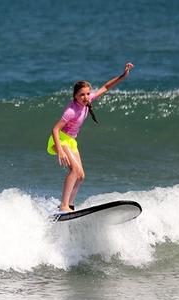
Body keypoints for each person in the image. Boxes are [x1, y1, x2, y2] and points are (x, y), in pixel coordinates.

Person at [47, 63, 135, 212]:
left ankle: (70, 205)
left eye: (87, 94)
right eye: (81, 94)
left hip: (71, 141)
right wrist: (61, 151)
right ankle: (63, 205)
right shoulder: (71, 111)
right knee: (74, 170)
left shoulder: (88, 101)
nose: (85, 97)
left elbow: (106, 87)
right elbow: (55, 129)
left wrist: (123, 75)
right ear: (75, 96)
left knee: (80, 176)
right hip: (61, 139)